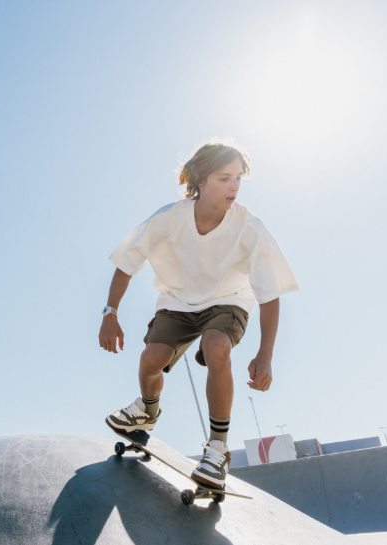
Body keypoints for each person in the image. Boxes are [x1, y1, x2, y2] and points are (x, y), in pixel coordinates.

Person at [100, 139, 298, 489]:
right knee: (151, 359)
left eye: (239, 178)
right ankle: (146, 411)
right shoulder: (168, 219)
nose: (234, 186)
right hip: (177, 303)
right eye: (225, 178)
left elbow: (270, 296)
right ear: (201, 180)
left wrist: (265, 355)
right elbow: (126, 264)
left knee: (217, 345)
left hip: (228, 300)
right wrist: (109, 313)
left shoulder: (250, 228)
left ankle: (218, 448)